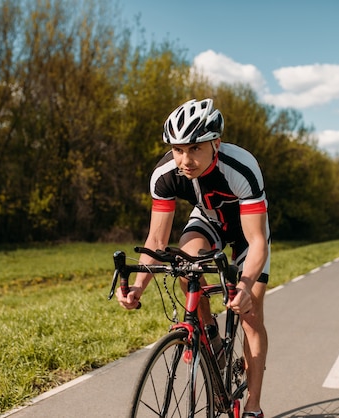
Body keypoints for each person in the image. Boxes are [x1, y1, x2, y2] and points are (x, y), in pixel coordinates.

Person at [117, 98, 271, 418]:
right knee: (185, 262)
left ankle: (253, 406)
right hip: (208, 220)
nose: (185, 160)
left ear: (215, 142)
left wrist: (243, 287)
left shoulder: (241, 167)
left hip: (247, 232)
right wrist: (138, 287)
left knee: (252, 315)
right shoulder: (164, 174)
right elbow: (157, 240)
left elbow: (257, 241)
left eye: (194, 149)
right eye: (177, 149)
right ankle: (208, 335)